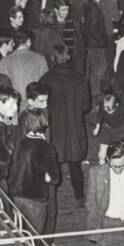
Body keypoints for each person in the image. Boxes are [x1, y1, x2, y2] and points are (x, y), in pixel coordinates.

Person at [41, 44, 90, 206]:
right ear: (68, 57)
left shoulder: (46, 79)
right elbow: (86, 106)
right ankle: (79, 196)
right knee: (75, 164)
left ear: (53, 58)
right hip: (75, 128)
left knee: (52, 162)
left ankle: (51, 197)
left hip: (55, 129)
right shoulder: (80, 78)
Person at [7, 108, 60, 236]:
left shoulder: (20, 141)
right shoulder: (45, 146)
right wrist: (46, 176)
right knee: (34, 236)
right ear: (44, 123)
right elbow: (54, 178)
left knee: (19, 231)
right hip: (34, 198)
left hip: (16, 194)